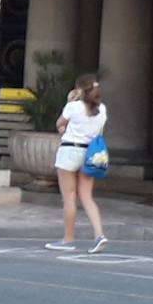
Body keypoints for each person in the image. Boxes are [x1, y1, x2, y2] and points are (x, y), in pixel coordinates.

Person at [46, 74, 109, 253]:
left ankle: (68, 239)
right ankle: (99, 235)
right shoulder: (102, 109)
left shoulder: (73, 107)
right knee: (87, 197)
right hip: (89, 153)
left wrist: (70, 101)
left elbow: (60, 123)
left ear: (80, 89)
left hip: (69, 150)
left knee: (69, 197)